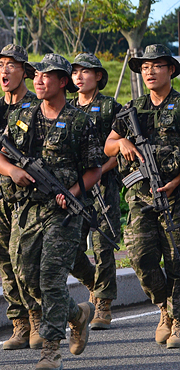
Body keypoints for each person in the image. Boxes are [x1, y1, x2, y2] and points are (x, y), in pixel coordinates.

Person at [0, 53, 101, 370]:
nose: (38, 80)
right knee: (25, 276)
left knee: (51, 277)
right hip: (26, 209)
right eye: (36, 74)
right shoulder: (21, 115)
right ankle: (77, 315)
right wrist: (12, 171)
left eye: (46, 75)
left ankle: (52, 349)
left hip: (63, 213)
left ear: (63, 82)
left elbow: (93, 170)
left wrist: (73, 195)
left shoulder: (80, 122)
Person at [105, 44, 180, 347]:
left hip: (176, 198)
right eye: (145, 67)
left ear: (171, 70)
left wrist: (177, 180)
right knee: (140, 257)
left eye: (157, 65)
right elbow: (108, 145)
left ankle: (176, 320)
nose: (149, 71)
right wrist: (121, 142)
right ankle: (164, 307)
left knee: (177, 259)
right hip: (140, 198)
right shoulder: (132, 108)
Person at [0, 44, 40, 349]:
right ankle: (19, 323)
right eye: (0, 65)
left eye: (11, 65)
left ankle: (38, 316)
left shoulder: (37, 107)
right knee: (3, 257)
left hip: (26, 194)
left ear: (24, 70)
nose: (4, 70)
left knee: (25, 257)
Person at [69, 53, 122, 330]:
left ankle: (103, 304)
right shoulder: (66, 107)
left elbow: (119, 145)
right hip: (76, 188)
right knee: (71, 247)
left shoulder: (110, 107)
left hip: (103, 185)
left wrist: (102, 171)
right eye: (75, 71)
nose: (79, 76)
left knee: (103, 246)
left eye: (85, 71)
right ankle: (93, 282)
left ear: (99, 76)